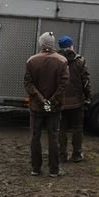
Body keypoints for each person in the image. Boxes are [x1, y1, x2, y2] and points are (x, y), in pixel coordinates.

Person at [24, 32, 69, 177]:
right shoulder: (62, 61)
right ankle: (54, 170)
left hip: (37, 106)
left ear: (41, 44)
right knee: (53, 137)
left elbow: (28, 84)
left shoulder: (31, 61)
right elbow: (63, 85)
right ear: (53, 44)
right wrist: (51, 101)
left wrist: (41, 99)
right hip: (54, 107)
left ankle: (35, 168)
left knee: (35, 136)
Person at [57, 35, 92, 163]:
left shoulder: (56, 61)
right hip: (77, 102)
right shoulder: (80, 61)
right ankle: (76, 154)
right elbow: (86, 82)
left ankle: (62, 155)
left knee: (61, 128)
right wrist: (88, 97)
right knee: (77, 128)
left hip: (60, 102)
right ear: (71, 46)